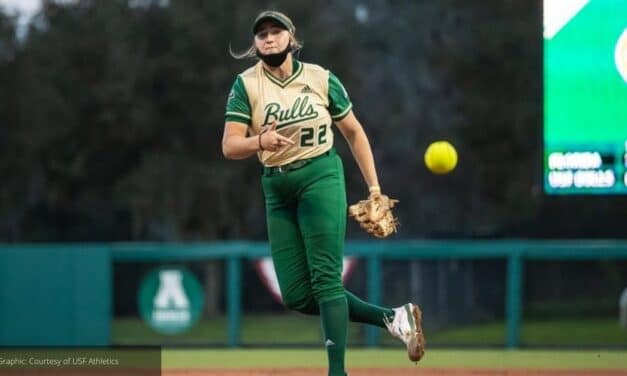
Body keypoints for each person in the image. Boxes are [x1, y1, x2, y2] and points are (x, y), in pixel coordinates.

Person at [222, 10, 425, 376]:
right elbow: (230, 146)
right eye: (262, 34)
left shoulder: (320, 78)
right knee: (298, 294)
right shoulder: (246, 84)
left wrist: (375, 188)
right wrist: (260, 140)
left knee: (326, 280)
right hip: (276, 186)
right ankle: (394, 318)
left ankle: (337, 372)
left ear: (291, 38)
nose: (268, 38)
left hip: (320, 177)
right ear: (255, 44)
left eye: (276, 31)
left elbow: (353, 132)